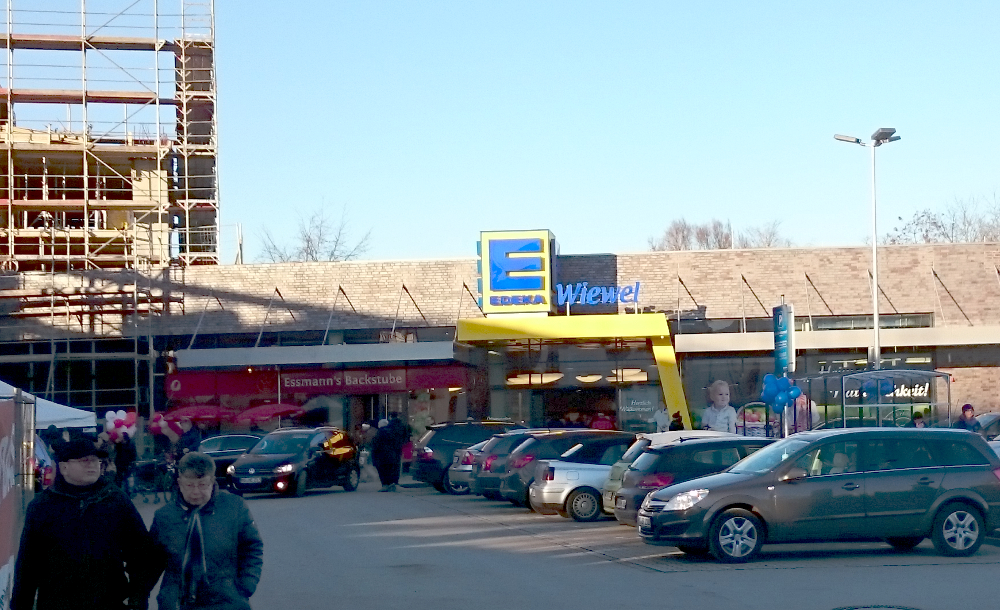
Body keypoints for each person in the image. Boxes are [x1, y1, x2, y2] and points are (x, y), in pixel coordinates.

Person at [12, 437, 153, 610]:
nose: (92, 465)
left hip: (109, 602)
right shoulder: (42, 506)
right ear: (64, 467)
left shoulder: (115, 500)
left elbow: (141, 553)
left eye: (96, 460)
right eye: (84, 460)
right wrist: (20, 605)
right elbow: (28, 564)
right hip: (57, 603)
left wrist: (138, 597)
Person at [150, 452, 264, 610]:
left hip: (226, 599)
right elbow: (151, 561)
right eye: (189, 486)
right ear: (179, 483)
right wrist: (140, 595)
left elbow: (252, 547)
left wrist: (246, 585)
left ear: (212, 482)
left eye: (202, 485)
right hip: (178, 601)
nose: (195, 492)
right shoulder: (164, 516)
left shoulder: (234, 507)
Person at [371, 419, 401, 491]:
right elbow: (398, 444)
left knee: (383, 471)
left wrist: (374, 458)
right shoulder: (394, 433)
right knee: (392, 470)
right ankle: (392, 483)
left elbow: (375, 446)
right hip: (393, 455)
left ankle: (385, 485)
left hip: (382, 456)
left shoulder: (378, 434)